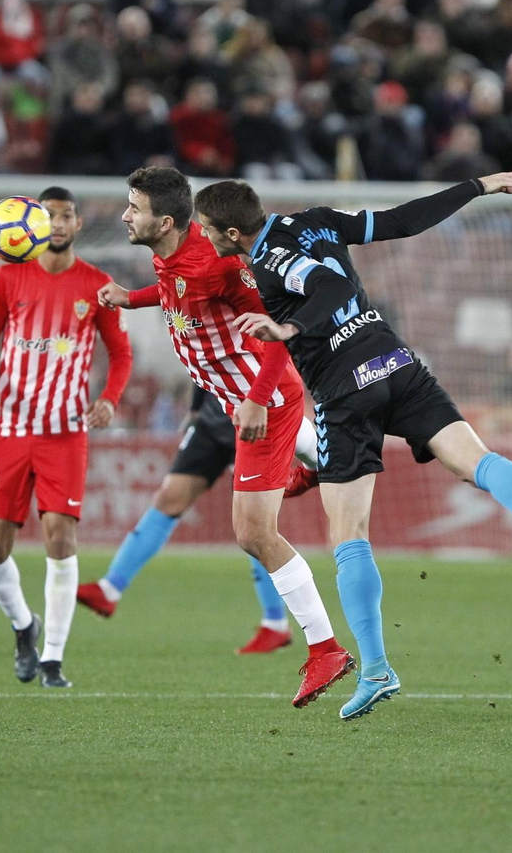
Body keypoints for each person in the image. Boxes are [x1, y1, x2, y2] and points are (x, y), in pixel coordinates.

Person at [195, 173, 512, 721]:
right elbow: (402, 221)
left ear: (231, 232)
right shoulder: (316, 220)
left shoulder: (269, 263)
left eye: (207, 230)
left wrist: (291, 330)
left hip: (344, 394)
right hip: (395, 362)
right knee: (476, 461)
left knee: (348, 533)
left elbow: (328, 289)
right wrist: (476, 186)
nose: (204, 238)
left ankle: (377, 669)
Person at [91, 168, 351, 705]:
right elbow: (175, 293)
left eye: (132, 207)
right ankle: (322, 460)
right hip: (243, 399)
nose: (124, 215)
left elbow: (274, 333)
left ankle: (324, 649)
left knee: (253, 534)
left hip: (264, 399)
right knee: (276, 502)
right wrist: (130, 297)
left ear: (163, 221)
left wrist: (256, 399)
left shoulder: (219, 261)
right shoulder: (173, 250)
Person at [0, 187, 133, 689]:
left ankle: (53, 660)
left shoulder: (98, 285)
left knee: (60, 538)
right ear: (34, 225)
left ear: (78, 224)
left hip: (65, 432)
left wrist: (109, 398)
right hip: (12, 429)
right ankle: (24, 627)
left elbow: (121, 353)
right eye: (48, 216)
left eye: (65, 216)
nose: (57, 224)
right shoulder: (8, 278)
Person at [77, 387, 317, 655]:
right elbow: (203, 358)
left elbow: (273, 354)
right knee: (169, 497)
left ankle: (275, 622)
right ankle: (110, 589)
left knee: (256, 524)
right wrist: (195, 409)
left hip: (255, 415)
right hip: (213, 416)